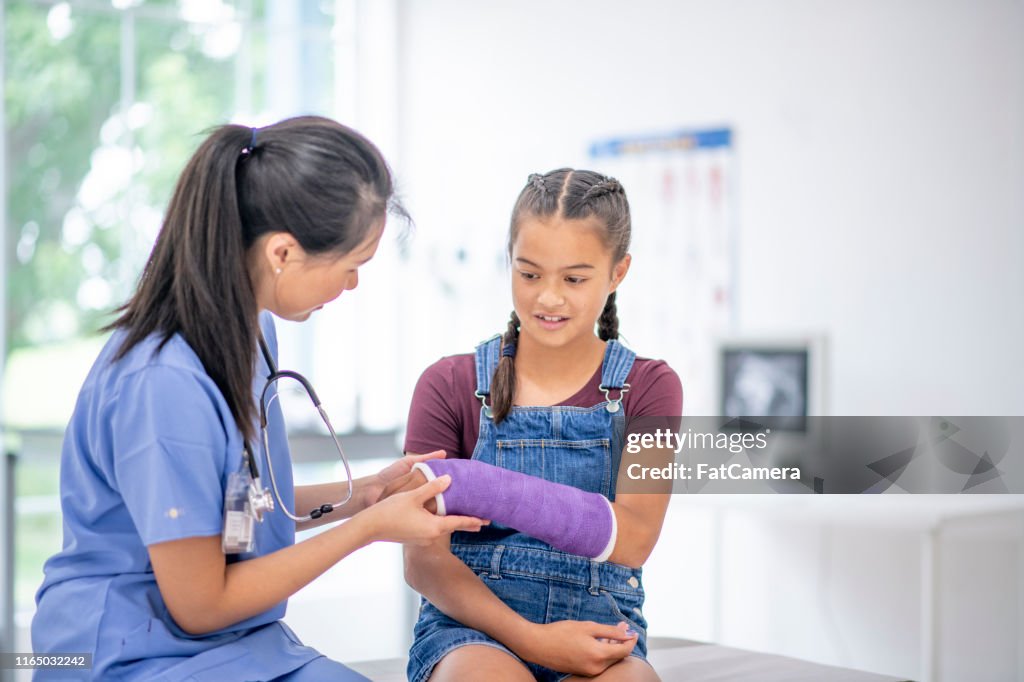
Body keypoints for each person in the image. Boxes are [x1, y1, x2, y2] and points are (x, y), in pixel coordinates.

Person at [30, 116, 486, 681]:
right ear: (283, 253)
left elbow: (240, 505)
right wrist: (368, 528)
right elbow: (199, 605)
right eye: (350, 266)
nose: (352, 286)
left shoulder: (250, 333)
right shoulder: (162, 384)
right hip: (128, 650)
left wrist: (367, 495)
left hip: (235, 641)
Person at [385, 169, 683, 681]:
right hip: (471, 630)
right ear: (509, 263)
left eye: (574, 278)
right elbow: (421, 561)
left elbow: (632, 538)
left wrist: (482, 487)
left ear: (618, 273)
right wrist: (533, 640)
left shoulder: (652, 387)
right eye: (529, 274)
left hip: (601, 630)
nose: (548, 298)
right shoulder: (447, 384)